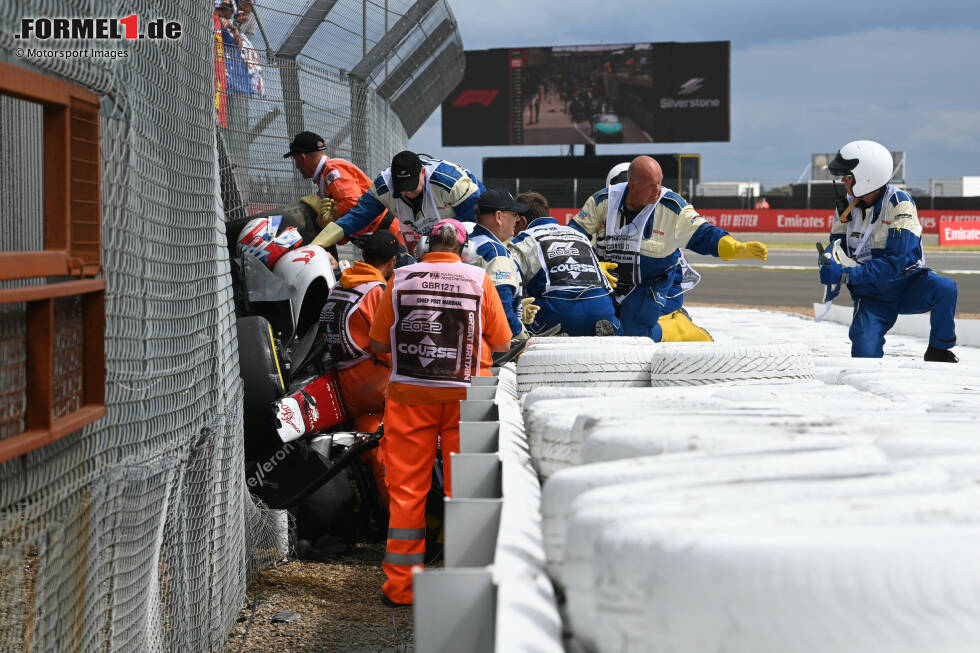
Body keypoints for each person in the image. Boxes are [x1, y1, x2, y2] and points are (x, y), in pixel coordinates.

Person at [368, 219, 511, 607]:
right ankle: (464, 590)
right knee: (464, 492)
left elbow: (378, 341)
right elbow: (502, 340)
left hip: (409, 397)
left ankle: (401, 588)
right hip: (467, 398)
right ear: (463, 251)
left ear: (426, 246)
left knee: (407, 492)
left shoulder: (401, 277)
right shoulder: (478, 279)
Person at [570, 156, 768, 340]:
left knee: (634, 333)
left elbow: (704, 233)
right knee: (585, 320)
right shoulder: (601, 202)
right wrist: (591, 267)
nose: (657, 189)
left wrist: (734, 247)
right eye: (650, 185)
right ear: (630, 185)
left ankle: (681, 329)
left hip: (651, 282)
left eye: (659, 182)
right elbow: (570, 238)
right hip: (610, 282)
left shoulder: (672, 207)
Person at [822, 139, 958, 362]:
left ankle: (939, 349)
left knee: (945, 288)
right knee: (864, 354)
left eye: (847, 176)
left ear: (866, 177)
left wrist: (846, 275)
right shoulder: (845, 206)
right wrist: (828, 261)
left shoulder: (900, 204)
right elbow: (836, 246)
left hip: (908, 284)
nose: (843, 181)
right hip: (871, 293)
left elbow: (895, 262)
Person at [320, 231, 402, 508]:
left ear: (364, 256)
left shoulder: (341, 286)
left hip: (348, 386)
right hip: (374, 384)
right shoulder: (375, 292)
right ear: (391, 263)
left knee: (374, 443)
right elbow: (391, 351)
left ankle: (384, 514)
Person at [312, 150, 485, 256]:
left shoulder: (451, 182)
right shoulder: (383, 186)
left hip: (469, 220)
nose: (408, 193)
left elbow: (477, 222)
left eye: (412, 186)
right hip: (424, 238)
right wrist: (317, 244)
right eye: (402, 188)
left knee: (469, 251)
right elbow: (355, 217)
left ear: (423, 173)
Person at [509, 191, 621, 336]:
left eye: (514, 224)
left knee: (516, 316)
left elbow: (509, 287)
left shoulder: (522, 241)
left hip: (558, 310)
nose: (513, 230)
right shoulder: (580, 235)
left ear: (523, 221)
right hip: (600, 306)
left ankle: (556, 335)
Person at [283, 131, 403, 249]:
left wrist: (333, 218)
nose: (297, 166)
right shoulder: (324, 178)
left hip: (387, 235)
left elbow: (353, 203)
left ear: (302, 157)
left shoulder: (332, 170)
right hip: (374, 239)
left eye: (295, 159)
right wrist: (330, 225)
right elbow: (344, 237)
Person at [470, 189, 531, 338]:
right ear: (498, 216)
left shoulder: (467, 241)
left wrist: (517, 308)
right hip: (488, 344)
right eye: (514, 214)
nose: (517, 220)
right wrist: (521, 334)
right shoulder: (496, 254)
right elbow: (501, 311)